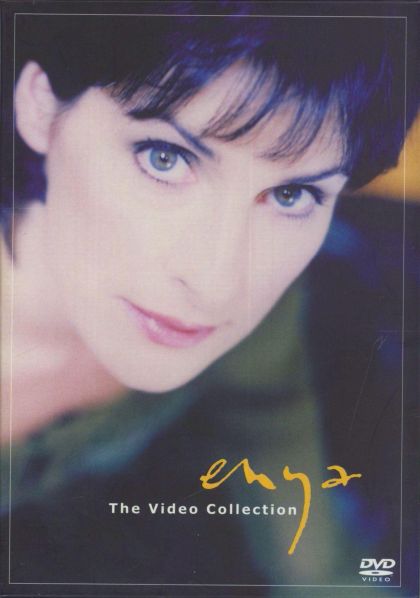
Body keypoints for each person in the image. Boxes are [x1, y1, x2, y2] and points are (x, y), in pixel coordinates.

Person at [1, 2, 418, 593]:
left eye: (293, 194)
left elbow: (310, 544)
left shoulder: (262, 322)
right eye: (164, 158)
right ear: (40, 104)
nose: (219, 285)